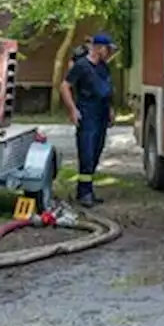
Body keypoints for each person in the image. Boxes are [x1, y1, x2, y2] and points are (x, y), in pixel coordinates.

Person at [59, 33, 117, 207]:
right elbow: (65, 86)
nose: (109, 53)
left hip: (101, 112)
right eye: (108, 49)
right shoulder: (82, 66)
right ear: (99, 48)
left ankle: (87, 190)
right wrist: (72, 109)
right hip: (87, 112)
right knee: (87, 152)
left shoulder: (104, 67)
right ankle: (84, 193)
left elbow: (107, 89)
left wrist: (111, 109)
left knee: (97, 149)